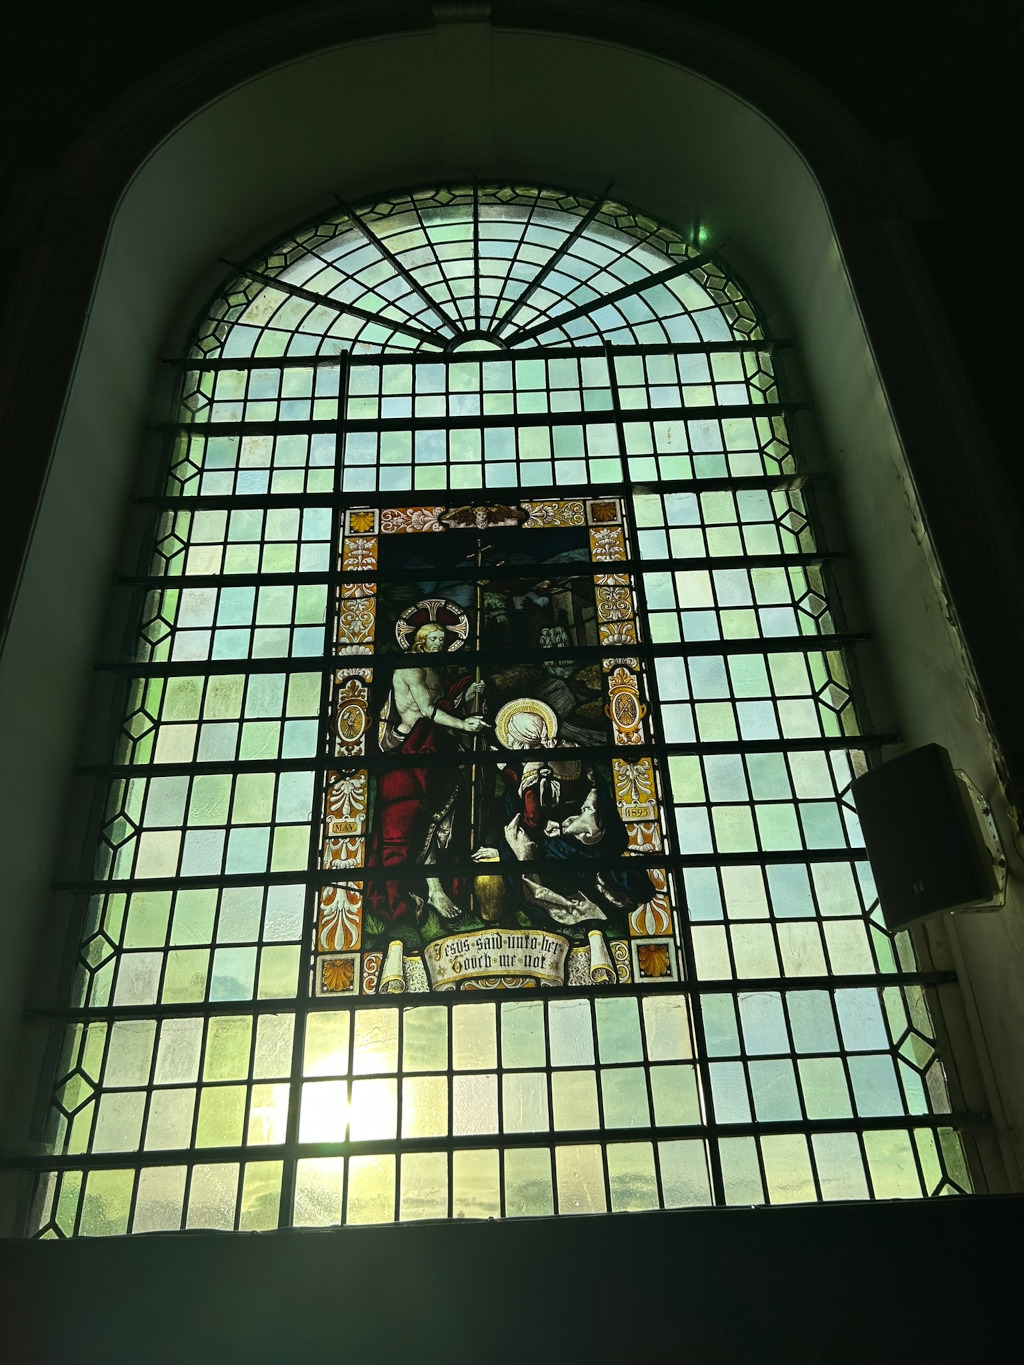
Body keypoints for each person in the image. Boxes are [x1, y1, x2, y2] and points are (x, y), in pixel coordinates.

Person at [474, 699, 655, 932]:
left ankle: (585, 889)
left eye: (513, 738)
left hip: (556, 846)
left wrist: (502, 847)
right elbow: (595, 794)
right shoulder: (572, 750)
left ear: (521, 739)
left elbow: (533, 820)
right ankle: (600, 879)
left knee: (515, 836)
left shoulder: (534, 766)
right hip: (589, 835)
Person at [367, 613, 489, 927]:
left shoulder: (433, 670)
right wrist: (464, 723)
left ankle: (438, 888)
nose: (439, 644)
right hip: (412, 751)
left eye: (443, 641)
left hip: (433, 747)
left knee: (441, 816)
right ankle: (430, 890)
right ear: (420, 640)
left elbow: (443, 705)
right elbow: (428, 710)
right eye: (433, 639)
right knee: (419, 820)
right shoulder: (409, 667)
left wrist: (466, 696)